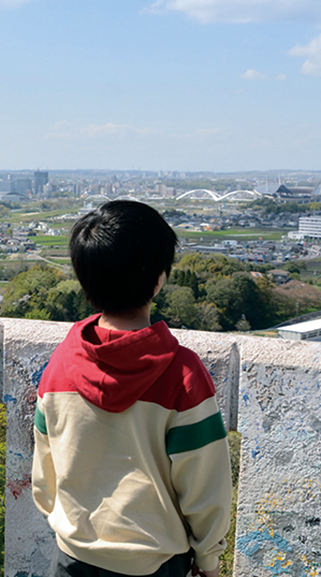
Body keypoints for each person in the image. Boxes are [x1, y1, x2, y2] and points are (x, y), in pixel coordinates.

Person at [31, 200, 232, 577]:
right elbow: (206, 488)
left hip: (73, 558)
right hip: (155, 563)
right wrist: (208, 559)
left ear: (85, 280)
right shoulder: (182, 374)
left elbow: (45, 478)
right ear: (159, 279)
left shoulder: (60, 365)